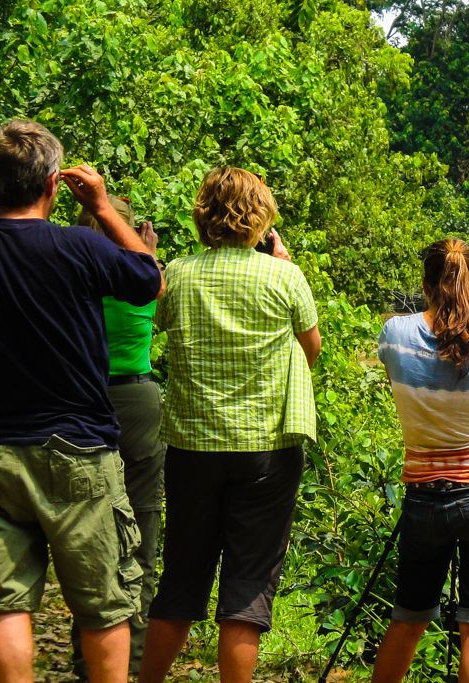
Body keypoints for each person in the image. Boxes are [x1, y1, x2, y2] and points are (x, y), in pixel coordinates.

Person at [0, 120, 163, 683]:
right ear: (52, 184)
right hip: (79, 452)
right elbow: (148, 279)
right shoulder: (81, 245)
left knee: (6, 605)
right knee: (103, 604)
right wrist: (103, 205)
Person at [138, 168, 322, 683]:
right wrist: (282, 267)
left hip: (192, 448)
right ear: (262, 220)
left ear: (204, 216)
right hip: (267, 450)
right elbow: (310, 350)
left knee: (181, 579)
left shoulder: (177, 272)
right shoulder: (285, 276)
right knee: (246, 588)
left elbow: (160, 323)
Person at [371, 239, 469, 683]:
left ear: (425, 284)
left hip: (425, 495)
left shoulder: (395, 333)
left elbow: (407, 374)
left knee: (408, 618)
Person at [69, 197, 167, 680]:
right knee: (143, 529)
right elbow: (157, 284)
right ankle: (132, 658)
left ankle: (87, 656)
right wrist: (145, 252)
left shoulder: (74, 276)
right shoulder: (143, 276)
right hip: (138, 401)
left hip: (82, 403)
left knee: (85, 532)